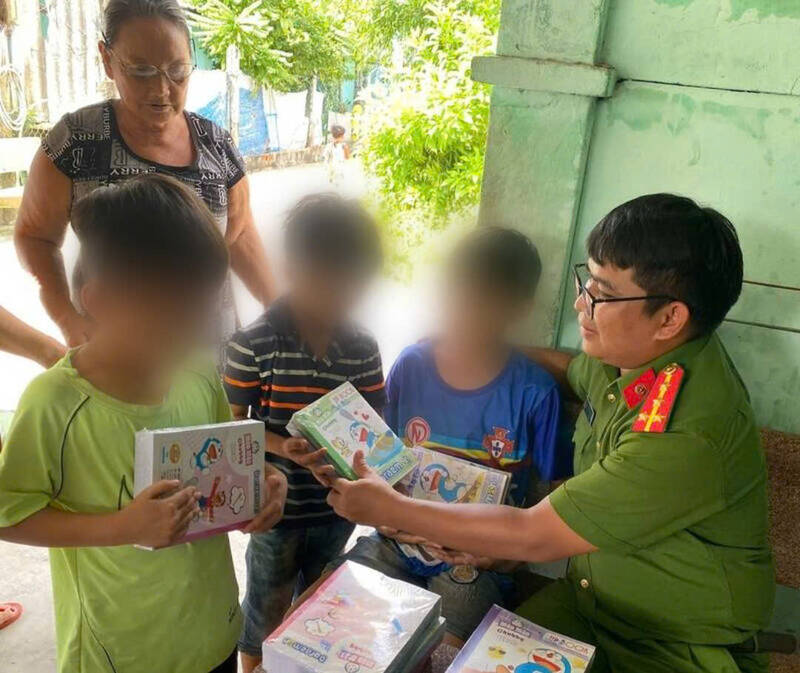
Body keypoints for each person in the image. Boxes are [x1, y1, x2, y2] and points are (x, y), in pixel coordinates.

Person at [318, 194, 774, 673]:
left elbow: (532, 534)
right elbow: (574, 369)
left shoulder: (686, 434)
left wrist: (388, 508)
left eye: (602, 292)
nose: (582, 303)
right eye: (587, 280)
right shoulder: (631, 362)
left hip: (669, 645)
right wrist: (485, 344)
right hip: (589, 606)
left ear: (669, 318)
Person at [0, 174, 288, 673]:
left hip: (214, 632)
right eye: (171, 316)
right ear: (101, 302)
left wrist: (261, 486)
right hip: (121, 654)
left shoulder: (198, 374)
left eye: (200, 312)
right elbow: (9, 514)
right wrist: (121, 527)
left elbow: (226, 466)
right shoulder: (55, 403)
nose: (191, 333)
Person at [327, 227, 571, 646]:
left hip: (478, 565)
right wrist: (378, 503)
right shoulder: (411, 367)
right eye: (457, 295)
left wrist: (508, 557)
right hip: (395, 545)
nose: (465, 312)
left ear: (518, 309)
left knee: (445, 653)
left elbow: (558, 500)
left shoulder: (534, 393)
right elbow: (388, 460)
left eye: (485, 303)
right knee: (333, 625)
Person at [14, 0, 275, 355]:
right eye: (141, 70)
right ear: (108, 59)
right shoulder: (76, 141)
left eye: (178, 70)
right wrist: (68, 319)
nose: (161, 89)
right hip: (118, 361)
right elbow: (35, 237)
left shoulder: (216, 143)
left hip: (211, 358)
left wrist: (283, 314)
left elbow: (240, 233)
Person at [223, 193, 386, 673]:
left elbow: (374, 423)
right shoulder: (254, 343)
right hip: (278, 511)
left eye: (352, 287)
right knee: (265, 612)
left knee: (321, 608)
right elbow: (232, 425)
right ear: (294, 269)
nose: (340, 299)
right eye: (329, 283)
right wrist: (279, 446)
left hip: (338, 507)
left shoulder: (362, 346)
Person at [324, 124, 351, 189]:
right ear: (335, 137)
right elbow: (326, 159)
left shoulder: (344, 146)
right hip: (332, 170)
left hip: (341, 170)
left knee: (342, 187)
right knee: (333, 187)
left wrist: (346, 149)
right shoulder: (329, 146)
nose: (343, 138)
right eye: (341, 136)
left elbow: (347, 157)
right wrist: (328, 171)